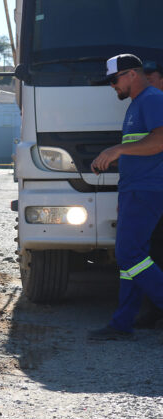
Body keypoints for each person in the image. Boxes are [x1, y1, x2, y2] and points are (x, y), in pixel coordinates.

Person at [88, 54, 163, 340]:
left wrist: (116, 151)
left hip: (147, 188)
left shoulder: (153, 99)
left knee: (129, 254)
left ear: (132, 74)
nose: (112, 86)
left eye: (114, 79)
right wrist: (114, 158)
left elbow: (160, 141)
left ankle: (123, 322)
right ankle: (122, 323)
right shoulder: (138, 104)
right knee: (133, 257)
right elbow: (142, 148)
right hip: (135, 188)